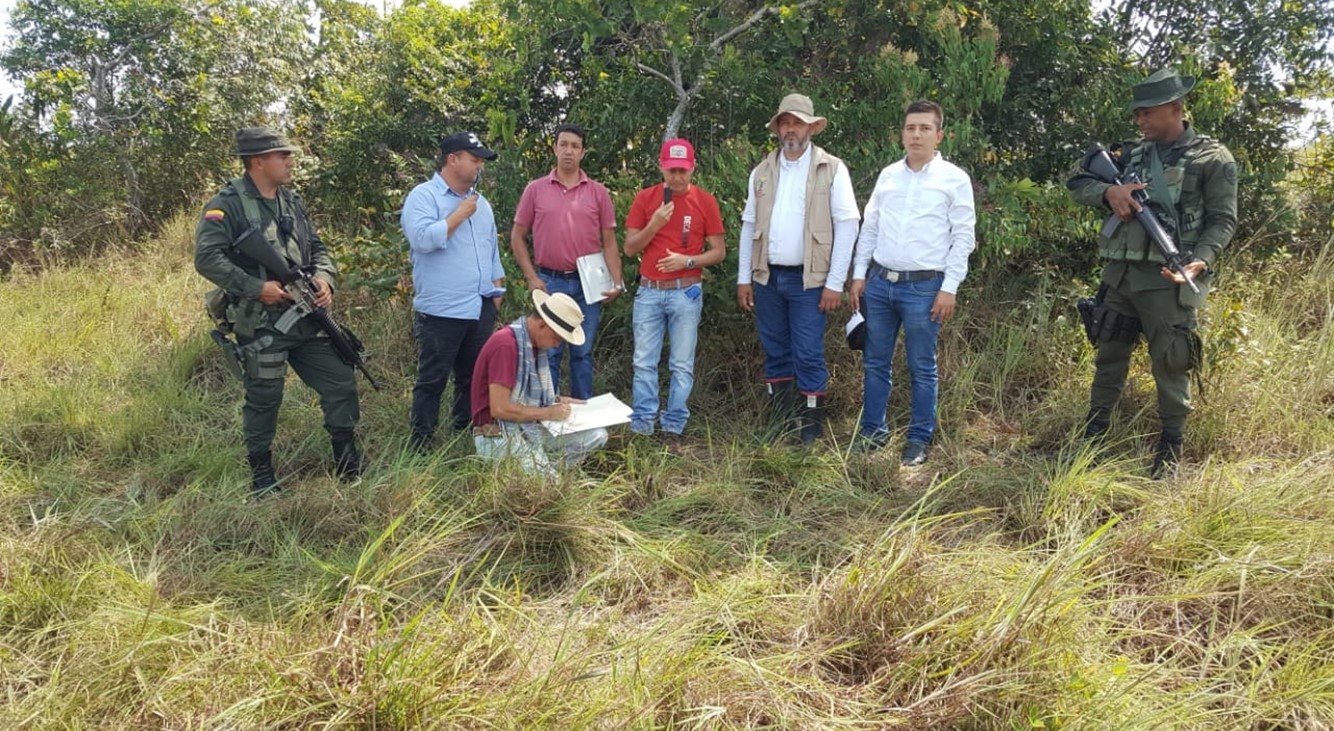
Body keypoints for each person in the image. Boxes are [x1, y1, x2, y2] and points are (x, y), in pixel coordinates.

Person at [1068, 69, 1237, 477]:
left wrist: (1202, 259)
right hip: (1120, 276)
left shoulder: (1212, 158)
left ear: (1176, 108)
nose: (1140, 120)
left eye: (1148, 112)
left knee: (1172, 363)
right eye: (1137, 113)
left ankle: (1170, 447)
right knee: (1109, 357)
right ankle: (1093, 436)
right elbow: (1075, 180)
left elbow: (1223, 220)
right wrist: (1109, 192)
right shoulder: (1129, 154)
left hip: (1166, 279)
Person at [195, 126, 361, 496]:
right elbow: (206, 258)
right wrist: (256, 288)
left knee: (340, 380)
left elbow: (316, 246)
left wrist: (325, 279)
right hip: (261, 325)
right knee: (264, 397)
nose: (290, 161)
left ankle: (348, 463)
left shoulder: (291, 201)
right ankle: (262, 475)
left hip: (306, 318)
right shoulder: (227, 204)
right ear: (257, 162)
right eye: (282, 155)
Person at [850, 100, 976, 466]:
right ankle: (872, 433)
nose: (916, 135)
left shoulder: (953, 179)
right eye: (910, 128)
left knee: (922, 367)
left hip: (925, 289)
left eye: (924, 128)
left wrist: (949, 287)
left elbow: (963, 236)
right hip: (880, 283)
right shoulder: (889, 175)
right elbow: (870, 226)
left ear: (939, 135)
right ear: (902, 134)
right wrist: (859, 275)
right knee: (875, 363)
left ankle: (919, 439)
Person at [737, 93, 860, 445]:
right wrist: (744, 278)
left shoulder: (831, 168)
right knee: (775, 350)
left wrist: (834, 282)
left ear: (811, 127)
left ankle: (810, 426)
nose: (790, 129)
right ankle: (780, 420)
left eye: (797, 123)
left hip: (810, 280)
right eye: (785, 123)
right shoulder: (762, 172)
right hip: (767, 277)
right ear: (777, 128)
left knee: (807, 352)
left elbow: (848, 224)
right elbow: (749, 225)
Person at [401, 131, 506, 452]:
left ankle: (464, 436)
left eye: (481, 161)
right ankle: (421, 448)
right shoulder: (423, 197)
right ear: (452, 159)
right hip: (441, 311)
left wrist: (497, 288)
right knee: (432, 379)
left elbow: (491, 250)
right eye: (474, 160)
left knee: (473, 377)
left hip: (480, 305)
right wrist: (458, 215)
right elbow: (421, 240)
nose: (479, 166)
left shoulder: (482, 205)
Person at [624, 139, 726, 447]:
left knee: (681, 364)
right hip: (649, 290)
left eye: (682, 170)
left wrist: (688, 261)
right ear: (661, 168)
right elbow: (630, 248)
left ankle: (673, 427)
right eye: (671, 170)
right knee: (644, 362)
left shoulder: (705, 201)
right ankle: (643, 426)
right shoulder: (646, 198)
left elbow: (719, 251)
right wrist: (655, 224)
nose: (677, 177)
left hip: (686, 291)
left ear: (692, 168)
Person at [510, 123, 625, 399]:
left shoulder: (598, 192)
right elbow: (517, 236)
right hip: (550, 282)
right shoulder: (535, 190)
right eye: (563, 144)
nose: (569, 151)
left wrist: (616, 282)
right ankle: (548, 411)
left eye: (575, 146)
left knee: (582, 352)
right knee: (548, 351)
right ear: (555, 149)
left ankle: (583, 412)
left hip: (589, 285)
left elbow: (609, 241)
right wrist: (532, 278)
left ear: (583, 152)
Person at [471, 290, 608, 475]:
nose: (557, 345)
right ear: (543, 325)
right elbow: (500, 409)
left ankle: (542, 468)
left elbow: (530, 396)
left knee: (597, 435)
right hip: (497, 433)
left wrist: (563, 401)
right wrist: (549, 412)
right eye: (557, 338)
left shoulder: (532, 345)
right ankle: (541, 472)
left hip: (528, 427)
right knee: (552, 485)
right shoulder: (506, 345)